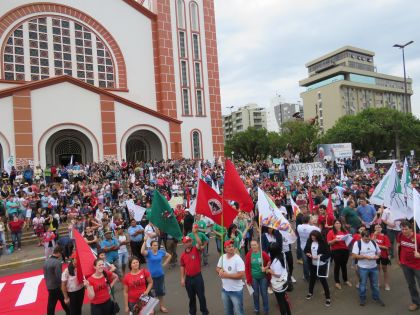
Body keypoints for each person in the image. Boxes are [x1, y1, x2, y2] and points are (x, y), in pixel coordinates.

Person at [351, 230, 385, 307]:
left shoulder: (373, 242)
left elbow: (379, 252)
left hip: (374, 267)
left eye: (368, 239)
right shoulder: (357, 243)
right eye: (365, 239)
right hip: (363, 268)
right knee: (363, 284)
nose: (367, 240)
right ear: (361, 237)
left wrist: (377, 256)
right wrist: (365, 257)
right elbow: (353, 255)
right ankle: (362, 298)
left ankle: (376, 297)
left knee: (375, 284)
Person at [180, 235, 209, 315]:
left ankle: (204, 312)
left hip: (197, 277)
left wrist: (195, 233)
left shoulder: (196, 249)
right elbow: (182, 266)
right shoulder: (183, 256)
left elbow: (199, 243)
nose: (189, 243)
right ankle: (192, 312)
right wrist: (182, 278)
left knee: (201, 297)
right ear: (184, 244)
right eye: (187, 242)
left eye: (189, 241)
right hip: (188, 279)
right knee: (191, 298)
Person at [141, 236, 172, 313]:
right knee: (151, 293)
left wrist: (164, 263)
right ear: (151, 246)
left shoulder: (161, 252)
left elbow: (169, 256)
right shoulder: (149, 253)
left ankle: (161, 306)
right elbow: (142, 252)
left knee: (160, 292)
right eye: (154, 245)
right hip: (150, 277)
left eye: (157, 245)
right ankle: (151, 308)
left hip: (160, 275)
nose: (156, 246)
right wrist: (144, 241)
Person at [216, 240, 245, 315]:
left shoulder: (238, 259)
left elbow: (241, 275)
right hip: (225, 290)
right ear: (225, 249)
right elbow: (217, 268)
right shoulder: (222, 257)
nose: (232, 248)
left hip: (236, 291)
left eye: (232, 246)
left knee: (239, 312)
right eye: (229, 247)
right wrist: (220, 271)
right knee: (228, 312)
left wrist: (226, 275)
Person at [397, 220, 420, 311]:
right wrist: (398, 259)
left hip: (418, 266)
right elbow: (398, 246)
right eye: (402, 229)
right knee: (411, 285)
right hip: (405, 265)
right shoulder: (400, 235)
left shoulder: (418, 237)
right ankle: (416, 302)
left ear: (411, 229)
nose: (404, 231)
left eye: (406, 229)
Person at [304, 230, 331, 307]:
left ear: (318, 237)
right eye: (312, 238)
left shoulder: (323, 243)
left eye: (314, 238)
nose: (313, 239)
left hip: (321, 264)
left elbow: (328, 254)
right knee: (312, 278)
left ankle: (328, 298)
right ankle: (310, 292)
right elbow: (306, 250)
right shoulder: (309, 241)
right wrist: (308, 253)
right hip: (312, 264)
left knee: (323, 280)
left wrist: (319, 257)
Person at [265, 242, 291, 315]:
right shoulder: (282, 254)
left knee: (281, 302)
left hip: (278, 284)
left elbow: (278, 275)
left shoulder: (277, 263)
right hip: (283, 282)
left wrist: (269, 271)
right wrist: (270, 263)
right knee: (284, 300)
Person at [245, 240, 270, 314]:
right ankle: (256, 308)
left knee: (264, 293)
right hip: (254, 278)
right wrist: (248, 279)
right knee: (255, 294)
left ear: (258, 245)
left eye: (255, 245)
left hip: (263, 277)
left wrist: (266, 267)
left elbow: (269, 261)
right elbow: (246, 267)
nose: (253, 246)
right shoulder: (249, 255)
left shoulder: (263, 253)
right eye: (252, 245)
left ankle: (266, 309)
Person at [44, 246, 70, 315]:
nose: (61, 255)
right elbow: (59, 277)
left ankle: (69, 312)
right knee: (63, 301)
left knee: (52, 304)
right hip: (57, 287)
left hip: (49, 285)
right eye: (61, 253)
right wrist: (64, 285)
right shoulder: (57, 262)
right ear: (58, 253)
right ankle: (69, 312)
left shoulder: (46, 261)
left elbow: (45, 274)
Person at [326, 219, 351, 289]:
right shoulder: (330, 232)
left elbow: (348, 240)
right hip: (336, 251)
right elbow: (328, 243)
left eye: (339, 223)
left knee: (344, 265)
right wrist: (334, 240)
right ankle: (337, 282)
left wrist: (349, 239)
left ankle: (345, 280)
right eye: (336, 223)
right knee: (337, 266)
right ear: (334, 224)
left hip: (345, 250)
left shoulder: (344, 231)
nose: (338, 224)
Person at [297, 215, 320, 281]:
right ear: (309, 220)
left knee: (305, 262)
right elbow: (319, 231)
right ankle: (315, 275)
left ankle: (306, 276)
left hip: (303, 246)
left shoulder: (299, 227)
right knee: (314, 261)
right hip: (311, 247)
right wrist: (313, 224)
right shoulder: (313, 228)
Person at [371, 223, 391, 290]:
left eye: (379, 227)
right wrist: (374, 235)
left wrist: (378, 246)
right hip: (376, 255)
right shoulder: (372, 235)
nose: (378, 228)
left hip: (384, 255)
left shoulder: (385, 236)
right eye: (376, 227)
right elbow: (371, 244)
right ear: (374, 229)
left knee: (384, 269)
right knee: (377, 269)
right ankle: (378, 283)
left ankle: (386, 284)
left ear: (381, 229)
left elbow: (387, 247)